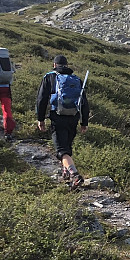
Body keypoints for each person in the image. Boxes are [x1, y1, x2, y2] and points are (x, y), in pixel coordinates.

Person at [36, 55, 89, 189]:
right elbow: (84, 102)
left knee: (62, 150)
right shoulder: (76, 79)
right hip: (73, 117)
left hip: (57, 116)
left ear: (54, 65)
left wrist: (40, 119)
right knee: (67, 146)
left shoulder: (50, 77)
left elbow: (41, 100)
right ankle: (66, 175)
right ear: (66, 65)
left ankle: (75, 175)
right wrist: (84, 122)